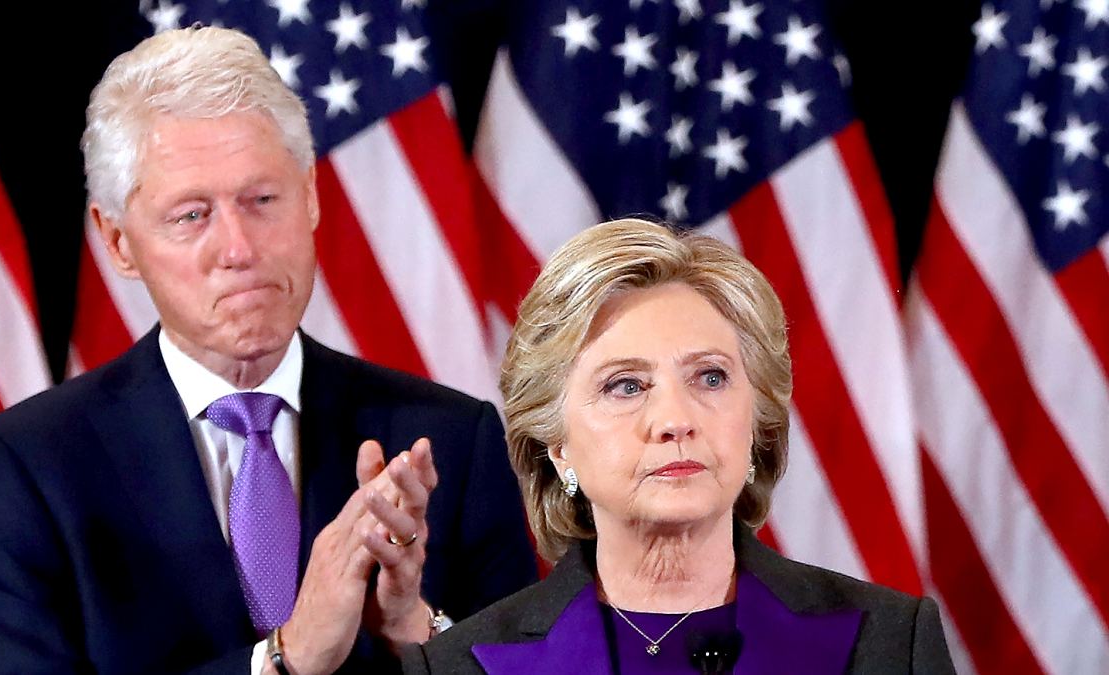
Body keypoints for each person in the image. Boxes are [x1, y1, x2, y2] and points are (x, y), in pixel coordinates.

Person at [0, 26, 536, 675]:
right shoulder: (29, 469)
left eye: (262, 200)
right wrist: (285, 656)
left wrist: (415, 628)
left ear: (309, 197)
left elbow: (522, 665)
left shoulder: (452, 439)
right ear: (117, 242)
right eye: (191, 215)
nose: (239, 248)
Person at [402, 218, 955, 674]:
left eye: (710, 378)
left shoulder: (890, 643)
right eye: (626, 386)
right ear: (558, 444)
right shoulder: (457, 666)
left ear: (756, 416)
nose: (675, 420)